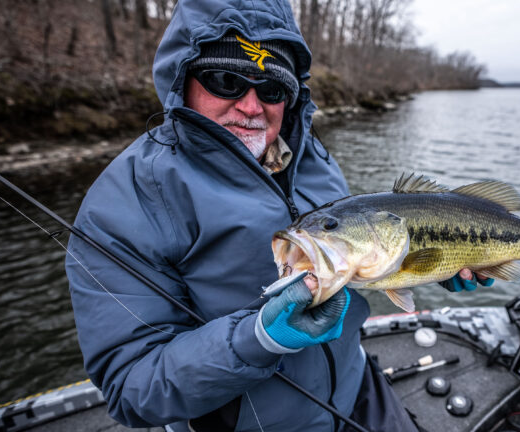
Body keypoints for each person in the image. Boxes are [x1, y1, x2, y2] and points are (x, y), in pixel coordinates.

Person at [65, 1, 490, 431]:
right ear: (184, 79)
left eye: (271, 89)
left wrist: (424, 265)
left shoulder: (311, 156)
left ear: (291, 97)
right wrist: (260, 338)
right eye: (226, 81)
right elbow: (131, 390)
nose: (251, 106)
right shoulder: (128, 198)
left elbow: (357, 262)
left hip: (358, 388)